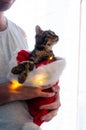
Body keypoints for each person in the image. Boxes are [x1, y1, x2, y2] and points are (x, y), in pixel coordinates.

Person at [0, 0, 61, 130]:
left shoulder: (20, 33)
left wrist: (48, 97)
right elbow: (19, 90)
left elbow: (29, 86)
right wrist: (13, 91)